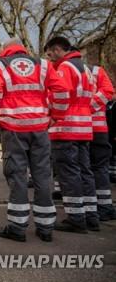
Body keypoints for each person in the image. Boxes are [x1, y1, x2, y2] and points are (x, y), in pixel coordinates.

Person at [0, 38, 69, 242]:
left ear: (5, 50)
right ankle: (46, 227)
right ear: (23, 48)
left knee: (17, 176)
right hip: (40, 127)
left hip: (13, 129)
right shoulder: (43, 64)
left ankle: (17, 226)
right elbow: (62, 91)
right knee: (42, 176)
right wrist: (55, 117)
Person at [44, 37, 97, 233]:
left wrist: (52, 115)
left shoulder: (65, 68)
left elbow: (60, 94)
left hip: (66, 128)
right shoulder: (85, 69)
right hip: (84, 127)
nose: (49, 58)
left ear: (58, 49)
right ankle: (91, 215)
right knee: (85, 171)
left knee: (68, 174)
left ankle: (76, 218)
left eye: (50, 53)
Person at [88, 64, 115, 220]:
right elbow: (107, 91)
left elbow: (108, 91)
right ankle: (103, 206)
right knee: (98, 168)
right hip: (97, 128)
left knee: (91, 168)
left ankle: (101, 207)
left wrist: (86, 108)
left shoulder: (65, 69)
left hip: (85, 129)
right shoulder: (96, 71)